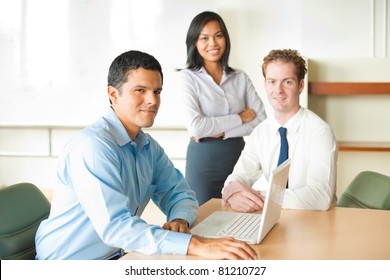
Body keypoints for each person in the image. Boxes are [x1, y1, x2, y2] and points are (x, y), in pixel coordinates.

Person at [35, 50, 257, 260]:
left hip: (115, 256)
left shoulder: (147, 146)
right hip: (67, 264)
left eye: (157, 91)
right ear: (113, 94)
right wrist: (196, 245)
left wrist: (179, 218)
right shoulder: (92, 147)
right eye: (140, 90)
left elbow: (180, 193)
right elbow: (116, 227)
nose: (152, 100)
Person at [222, 49, 338, 212]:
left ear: (301, 85)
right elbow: (236, 178)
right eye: (272, 82)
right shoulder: (260, 133)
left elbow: (320, 197)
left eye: (287, 82)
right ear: (265, 84)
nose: (278, 90)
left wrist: (258, 195)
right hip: (274, 219)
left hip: (314, 221)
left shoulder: (319, 132)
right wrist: (234, 195)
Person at [178, 11, 267, 205]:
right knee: (200, 216)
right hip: (203, 159)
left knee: (237, 214)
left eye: (218, 36)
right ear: (194, 42)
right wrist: (240, 118)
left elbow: (260, 119)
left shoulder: (240, 77)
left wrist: (221, 131)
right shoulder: (188, 78)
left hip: (238, 156)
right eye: (205, 38)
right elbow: (196, 127)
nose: (213, 43)